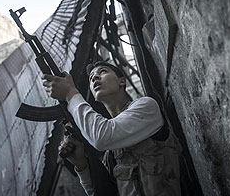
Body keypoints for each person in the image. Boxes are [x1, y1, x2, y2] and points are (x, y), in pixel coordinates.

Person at [43, 61, 181, 196]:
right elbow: (99, 191)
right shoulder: (112, 153)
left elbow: (102, 137)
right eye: (91, 78)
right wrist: (81, 165)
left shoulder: (146, 107)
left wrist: (70, 94)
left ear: (122, 81)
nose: (95, 77)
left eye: (102, 72)